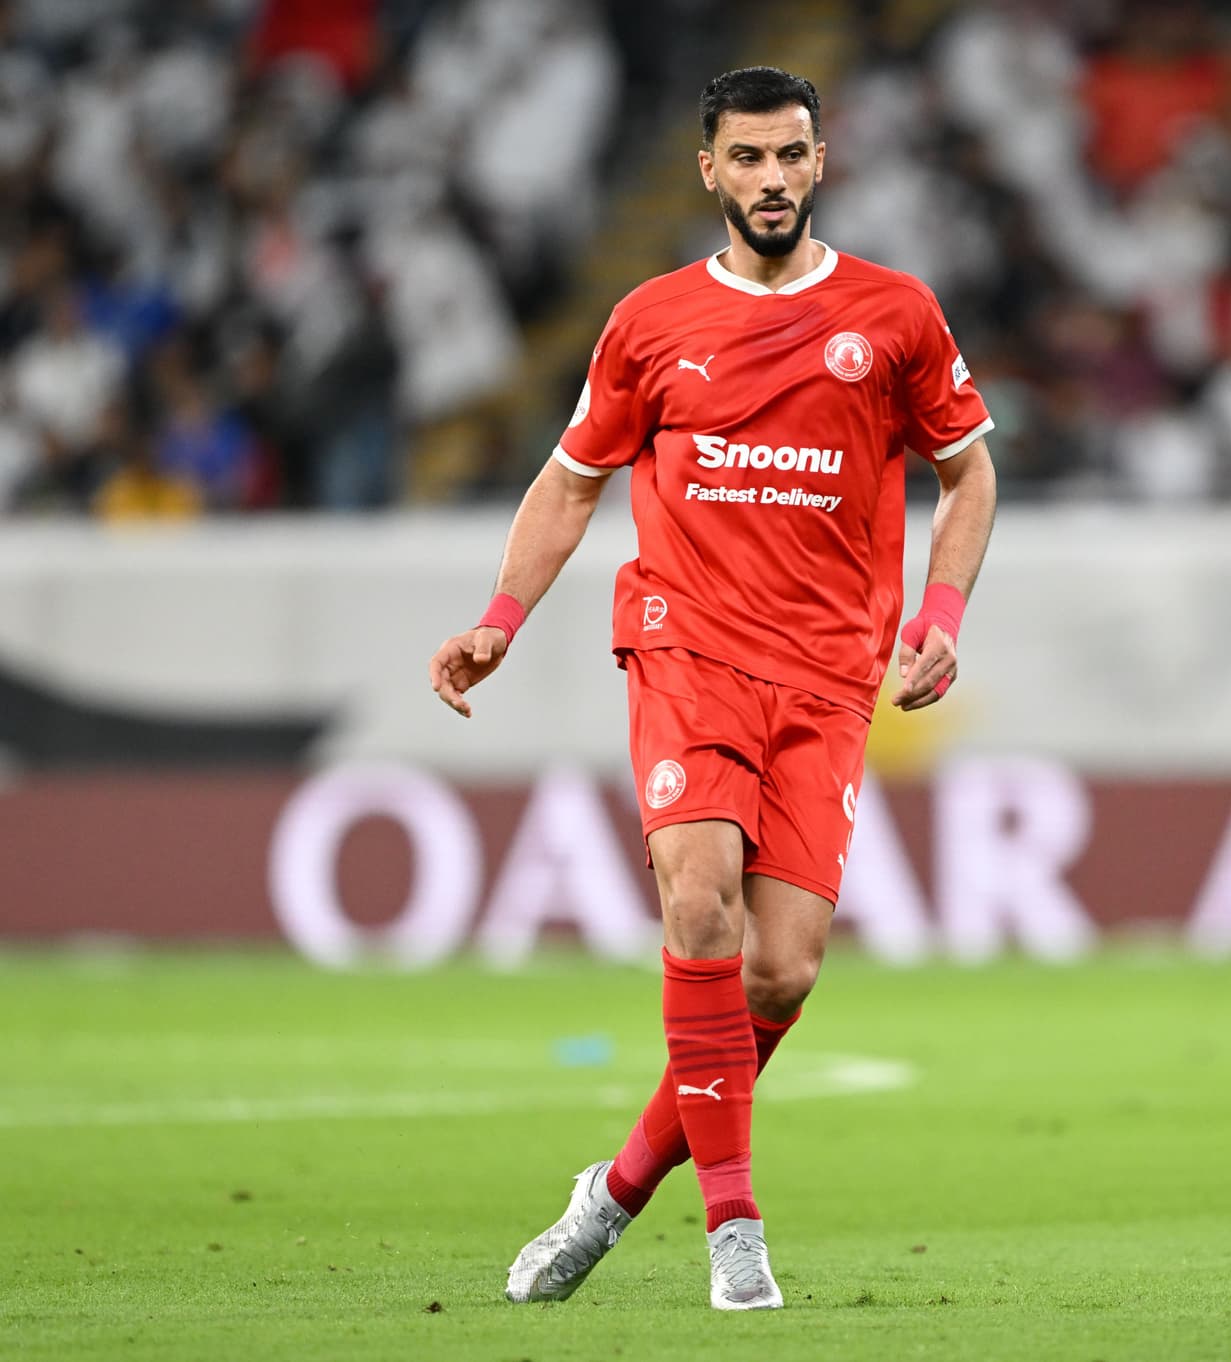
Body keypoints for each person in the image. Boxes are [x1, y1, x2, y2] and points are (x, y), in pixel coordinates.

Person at [426, 66, 997, 1310]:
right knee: (700, 902)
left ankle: (615, 1193)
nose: (774, 180)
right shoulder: (650, 321)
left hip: (833, 675)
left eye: (792, 156)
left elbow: (968, 474)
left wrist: (942, 615)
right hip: (688, 648)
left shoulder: (895, 314)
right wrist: (499, 617)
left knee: (780, 974)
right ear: (709, 173)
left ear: (821, 162)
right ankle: (733, 1228)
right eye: (749, 160)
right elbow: (574, 479)